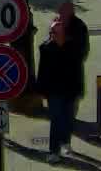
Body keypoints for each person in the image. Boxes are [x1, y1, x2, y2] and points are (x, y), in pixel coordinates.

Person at [37, 17, 84, 162]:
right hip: (54, 91)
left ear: (63, 33)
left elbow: (78, 70)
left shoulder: (73, 48)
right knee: (56, 120)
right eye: (52, 32)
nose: (53, 35)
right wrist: (42, 91)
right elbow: (42, 71)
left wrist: (79, 89)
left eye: (56, 32)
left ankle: (65, 142)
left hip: (70, 89)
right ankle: (53, 151)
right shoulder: (46, 48)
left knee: (68, 119)